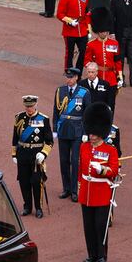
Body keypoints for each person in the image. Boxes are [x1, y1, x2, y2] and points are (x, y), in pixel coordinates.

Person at [78, 102, 119, 262]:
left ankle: (102, 255)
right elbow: (80, 169)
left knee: (100, 226)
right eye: (91, 132)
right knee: (88, 226)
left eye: (95, 133)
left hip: (101, 192)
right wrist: (79, 188)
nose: (91, 136)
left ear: (101, 133)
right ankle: (92, 254)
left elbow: (114, 170)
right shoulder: (84, 147)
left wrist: (102, 169)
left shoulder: (110, 150)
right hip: (86, 192)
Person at [53, 67, 91, 202]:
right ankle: (66, 188)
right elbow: (56, 111)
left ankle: (75, 190)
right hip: (63, 129)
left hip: (77, 131)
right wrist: (54, 129)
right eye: (67, 77)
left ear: (76, 78)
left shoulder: (84, 92)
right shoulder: (60, 91)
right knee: (64, 161)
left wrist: (86, 132)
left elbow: (87, 114)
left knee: (75, 161)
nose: (68, 80)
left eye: (70, 77)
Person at [12, 95, 53, 218]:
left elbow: (50, 141)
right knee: (24, 181)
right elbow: (15, 137)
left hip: (36, 155)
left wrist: (43, 153)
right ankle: (27, 207)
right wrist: (14, 154)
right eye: (27, 106)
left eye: (31, 106)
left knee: (36, 182)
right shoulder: (18, 117)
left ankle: (38, 208)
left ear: (36, 105)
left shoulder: (43, 119)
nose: (29, 108)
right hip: (23, 154)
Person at [84, 6, 123, 112]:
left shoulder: (114, 43)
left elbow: (117, 61)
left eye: (106, 31)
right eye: (102, 31)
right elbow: (86, 61)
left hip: (111, 79)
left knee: (110, 105)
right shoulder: (91, 44)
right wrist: (92, 68)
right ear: (98, 31)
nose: (104, 33)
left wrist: (120, 77)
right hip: (98, 76)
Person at [57, 0, 90, 71]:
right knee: (69, 52)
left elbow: (86, 14)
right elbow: (59, 14)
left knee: (83, 51)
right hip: (70, 30)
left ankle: (79, 71)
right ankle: (69, 71)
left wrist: (88, 29)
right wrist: (69, 21)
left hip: (82, 29)